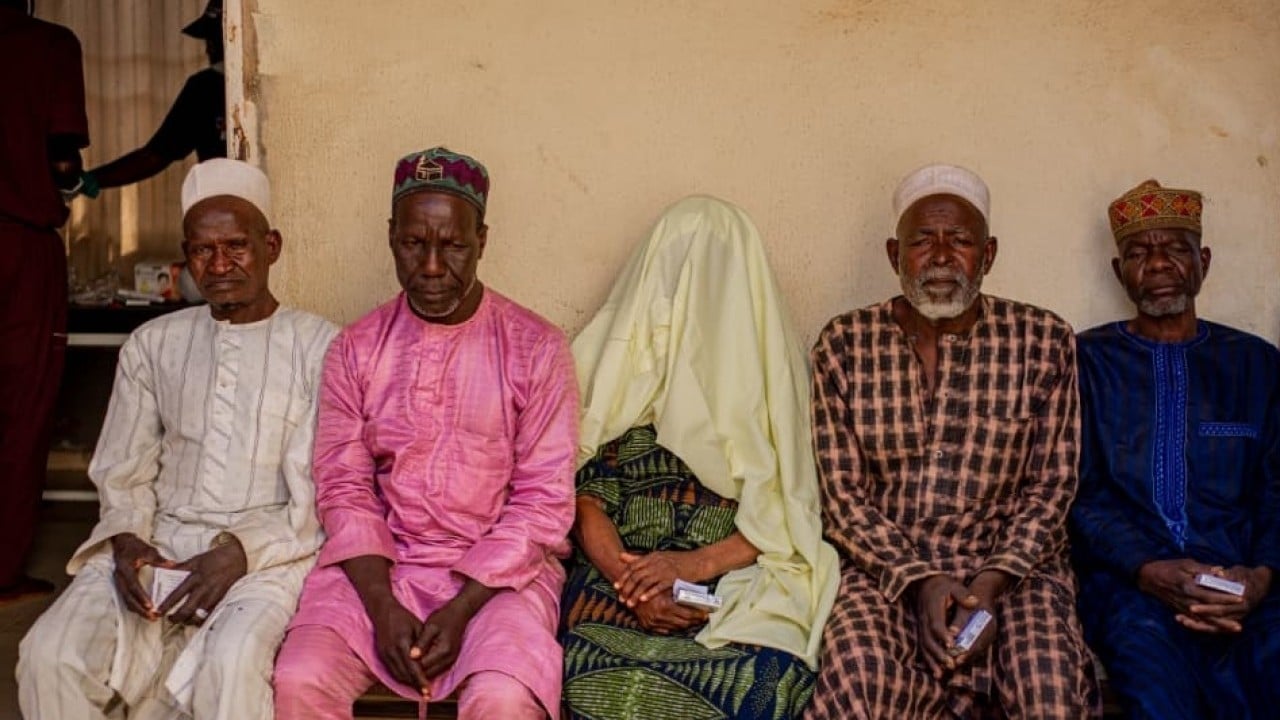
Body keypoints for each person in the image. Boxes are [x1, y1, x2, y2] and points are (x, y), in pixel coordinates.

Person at [18, 159, 338, 719]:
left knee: (232, 665)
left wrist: (238, 554)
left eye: (236, 246)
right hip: (158, 539)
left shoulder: (322, 348)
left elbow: (319, 493)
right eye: (201, 251)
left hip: (269, 556)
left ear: (272, 246)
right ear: (185, 255)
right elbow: (123, 470)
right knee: (50, 654)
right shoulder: (152, 344)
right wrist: (127, 540)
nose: (218, 265)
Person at [272, 147, 579, 720]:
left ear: (481, 241)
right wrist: (382, 604)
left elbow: (543, 504)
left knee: (504, 698)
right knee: (299, 679)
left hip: (499, 580)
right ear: (391, 237)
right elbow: (343, 487)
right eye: (414, 244)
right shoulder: (356, 348)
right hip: (382, 568)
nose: (433, 266)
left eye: (453, 245)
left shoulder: (537, 348)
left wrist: (461, 609)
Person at [805, 164, 1100, 719]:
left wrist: (990, 582)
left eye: (960, 241)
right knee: (857, 675)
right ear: (895, 255)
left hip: (1016, 569)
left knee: (1049, 687)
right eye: (923, 241)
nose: (941, 256)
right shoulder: (844, 344)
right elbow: (842, 496)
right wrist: (920, 581)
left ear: (987, 256)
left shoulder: (1043, 340)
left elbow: (1052, 486)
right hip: (885, 568)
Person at [561, 196, 840, 719]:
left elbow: (791, 514)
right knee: (597, 679)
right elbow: (586, 500)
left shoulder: (779, 394)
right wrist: (636, 584)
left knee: (755, 686)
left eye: (711, 281)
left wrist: (691, 568)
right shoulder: (622, 385)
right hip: (622, 577)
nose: (688, 298)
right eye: (675, 275)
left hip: (734, 580)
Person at [1070, 179, 1280, 720]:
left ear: (1203, 261)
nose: (1158, 264)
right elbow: (1076, 490)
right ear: (1119, 273)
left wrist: (1259, 578)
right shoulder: (1084, 361)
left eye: (1175, 249)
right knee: (1155, 694)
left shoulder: (1258, 364)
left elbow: (1277, 490)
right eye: (1138, 253)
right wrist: (1146, 568)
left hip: (1248, 590)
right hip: (1130, 590)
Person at [0, 0, 89, 603]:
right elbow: (62, 158)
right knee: (19, 412)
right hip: (18, 243)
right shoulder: (49, 44)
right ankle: (2, 570)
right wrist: (71, 178)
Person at [76, 0, 226, 199]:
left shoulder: (208, 87)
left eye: (212, 40)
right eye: (208, 41)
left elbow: (155, 156)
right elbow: (157, 154)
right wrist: (92, 179)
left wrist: (90, 179)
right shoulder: (203, 89)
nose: (208, 50)